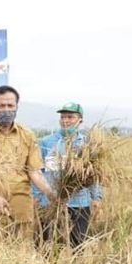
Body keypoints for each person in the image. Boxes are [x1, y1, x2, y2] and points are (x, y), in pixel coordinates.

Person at [0, 86, 56, 241]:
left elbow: (34, 171)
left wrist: (51, 194)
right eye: (1, 106)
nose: (6, 110)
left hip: (21, 208)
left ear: (16, 107)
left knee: (22, 255)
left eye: (10, 106)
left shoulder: (27, 135)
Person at [35, 102, 103, 248]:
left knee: (77, 244)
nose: (65, 120)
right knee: (45, 243)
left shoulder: (87, 144)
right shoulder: (46, 142)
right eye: (63, 117)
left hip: (79, 202)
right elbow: (37, 171)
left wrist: (96, 197)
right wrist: (37, 196)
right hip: (50, 202)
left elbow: (93, 174)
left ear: (80, 120)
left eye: (70, 117)